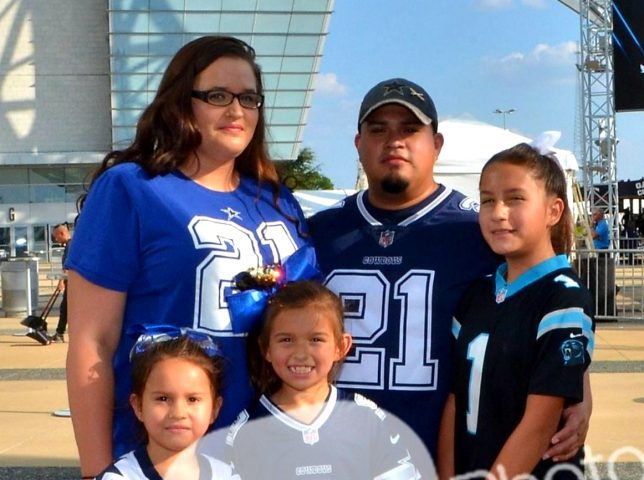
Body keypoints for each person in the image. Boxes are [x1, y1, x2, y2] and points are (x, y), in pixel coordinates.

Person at [309, 78, 591, 465]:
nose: (395, 141)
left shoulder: (475, 230)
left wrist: (578, 389)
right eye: (378, 130)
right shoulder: (316, 232)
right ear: (358, 144)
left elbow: (547, 307)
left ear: (436, 145)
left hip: (432, 453)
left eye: (410, 129)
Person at [65, 36, 310, 478]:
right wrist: (98, 469)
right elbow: (91, 340)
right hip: (162, 456)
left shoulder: (279, 202)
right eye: (218, 95)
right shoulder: (131, 188)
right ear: (182, 101)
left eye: (249, 98)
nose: (237, 110)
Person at [437, 143, 594, 479]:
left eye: (515, 198)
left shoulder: (563, 298)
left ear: (553, 211)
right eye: (488, 200)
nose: (498, 212)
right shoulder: (476, 294)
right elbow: (454, 400)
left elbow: (540, 422)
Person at [226, 280, 421, 479]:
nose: (301, 354)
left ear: (341, 346)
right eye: (286, 340)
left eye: (316, 340)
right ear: (266, 348)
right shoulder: (247, 431)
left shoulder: (366, 418)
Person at [96, 327, 238, 479]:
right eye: (163, 399)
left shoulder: (227, 475)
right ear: (138, 406)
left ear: (215, 409)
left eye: (192, 399)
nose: (178, 413)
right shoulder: (119, 477)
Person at [50, 222, 71, 343]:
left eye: (56, 236)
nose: (55, 239)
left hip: (72, 284)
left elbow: (67, 267)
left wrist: (61, 281)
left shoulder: (70, 246)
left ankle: (60, 333)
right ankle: (60, 332)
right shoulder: (70, 245)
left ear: (62, 233)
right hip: (72, 283)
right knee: (65, 307)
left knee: (66, 307)